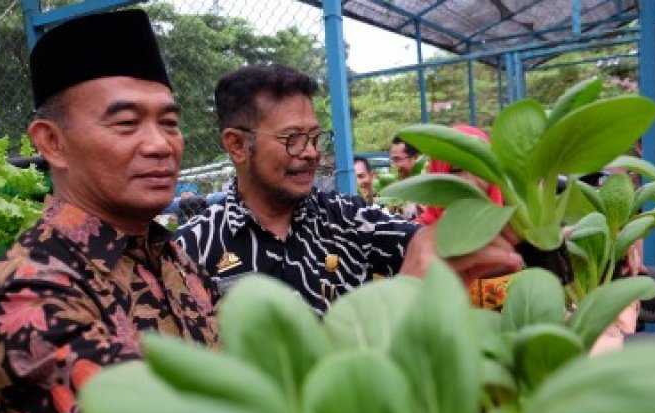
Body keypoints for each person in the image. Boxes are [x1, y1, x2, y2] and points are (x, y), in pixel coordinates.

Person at [0, 10, 217, 413]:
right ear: (50, 142)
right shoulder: (26, 291)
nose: (159, 144)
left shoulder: (174, 258)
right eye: (126, 123)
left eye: (168, 122)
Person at [175, 64, 521, 315]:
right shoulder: (192, 248)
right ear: (236, 145)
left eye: (315, 137)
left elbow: (423, 241)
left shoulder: (350, 219)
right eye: (292, 138)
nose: (311, 152)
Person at [417, 124, 503, 226]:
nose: (471, 183)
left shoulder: (517, 232)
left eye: (479, 171)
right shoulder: (416, 237)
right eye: (456, 171)